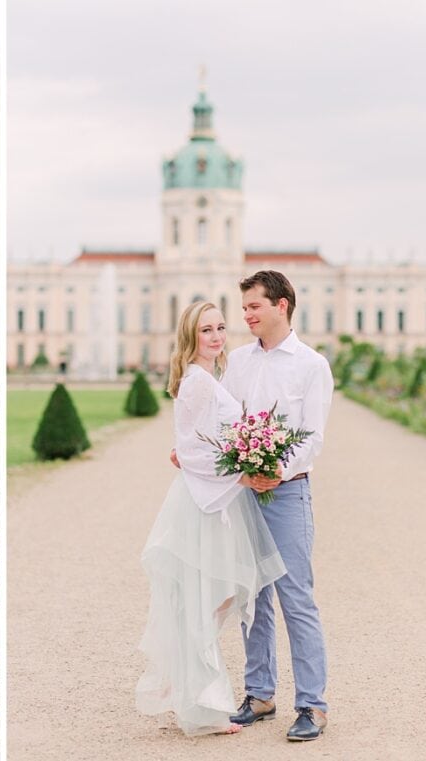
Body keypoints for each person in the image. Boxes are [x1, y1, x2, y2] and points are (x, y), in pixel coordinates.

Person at [172, 271, 334, 741]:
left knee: (296, 599)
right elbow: (222, 420)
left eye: (253, 307)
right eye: (243, 309)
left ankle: (312, 705)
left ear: (281, 306)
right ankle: (259, 693)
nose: (245, 316)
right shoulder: (237, 361)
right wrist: (196, 453)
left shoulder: (311, 365)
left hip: (287, 492)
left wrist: (276, 471)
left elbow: (314, 437)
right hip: (241, 491)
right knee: (252, 597)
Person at [136, 300, 286, 736]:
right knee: (206, 603)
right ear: (191, 336)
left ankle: (190, 693)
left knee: (209, 602)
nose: (217, 336)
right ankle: (199, 707)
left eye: (221, 327)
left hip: (214, 500)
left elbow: (193, 446)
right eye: (207, 330)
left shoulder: (205, 376)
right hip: (207, 503)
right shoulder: (199, 381)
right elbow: (192, 450)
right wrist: (243, 474)